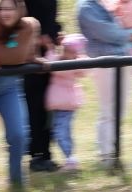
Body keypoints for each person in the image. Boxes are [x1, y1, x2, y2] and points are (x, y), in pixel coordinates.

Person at [0, 0, 42, 192]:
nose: (5, 13)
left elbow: (26, 50)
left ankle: (17, 181)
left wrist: (34, 58)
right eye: (1, 8)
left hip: (11, 86)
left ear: (19, 9)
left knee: (19, 134)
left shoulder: (29, 25)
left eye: (10, 8)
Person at [76, 0, 131, 166]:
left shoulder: (107, 4)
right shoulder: (86, 7)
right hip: (104, 64)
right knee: (108, 110)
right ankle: (106, 155)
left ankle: (114, 152)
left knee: (120, 110)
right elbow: (109, 33)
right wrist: (130, 33)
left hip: (123, 60)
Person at [24, 0, 60, 171]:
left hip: (47, 57)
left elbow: (51, 19)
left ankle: (44, 152)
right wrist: (39, 37)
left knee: (47, 107)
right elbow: (17, 18)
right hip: (29, 57)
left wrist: (54, 34)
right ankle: (38, 154)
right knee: (35, 107)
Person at [44, 30, 84, 168]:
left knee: (62, 133)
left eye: (71, 51)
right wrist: (51, 49)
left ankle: (70, 158)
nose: (67, 53)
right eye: (66, 50)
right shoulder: (60, 60)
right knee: (59, 133)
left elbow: (54, 67)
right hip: (56, 105)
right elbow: (52, 63)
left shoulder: (72, 66)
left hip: (66, 106)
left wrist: (49, 50)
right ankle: (69, 158)